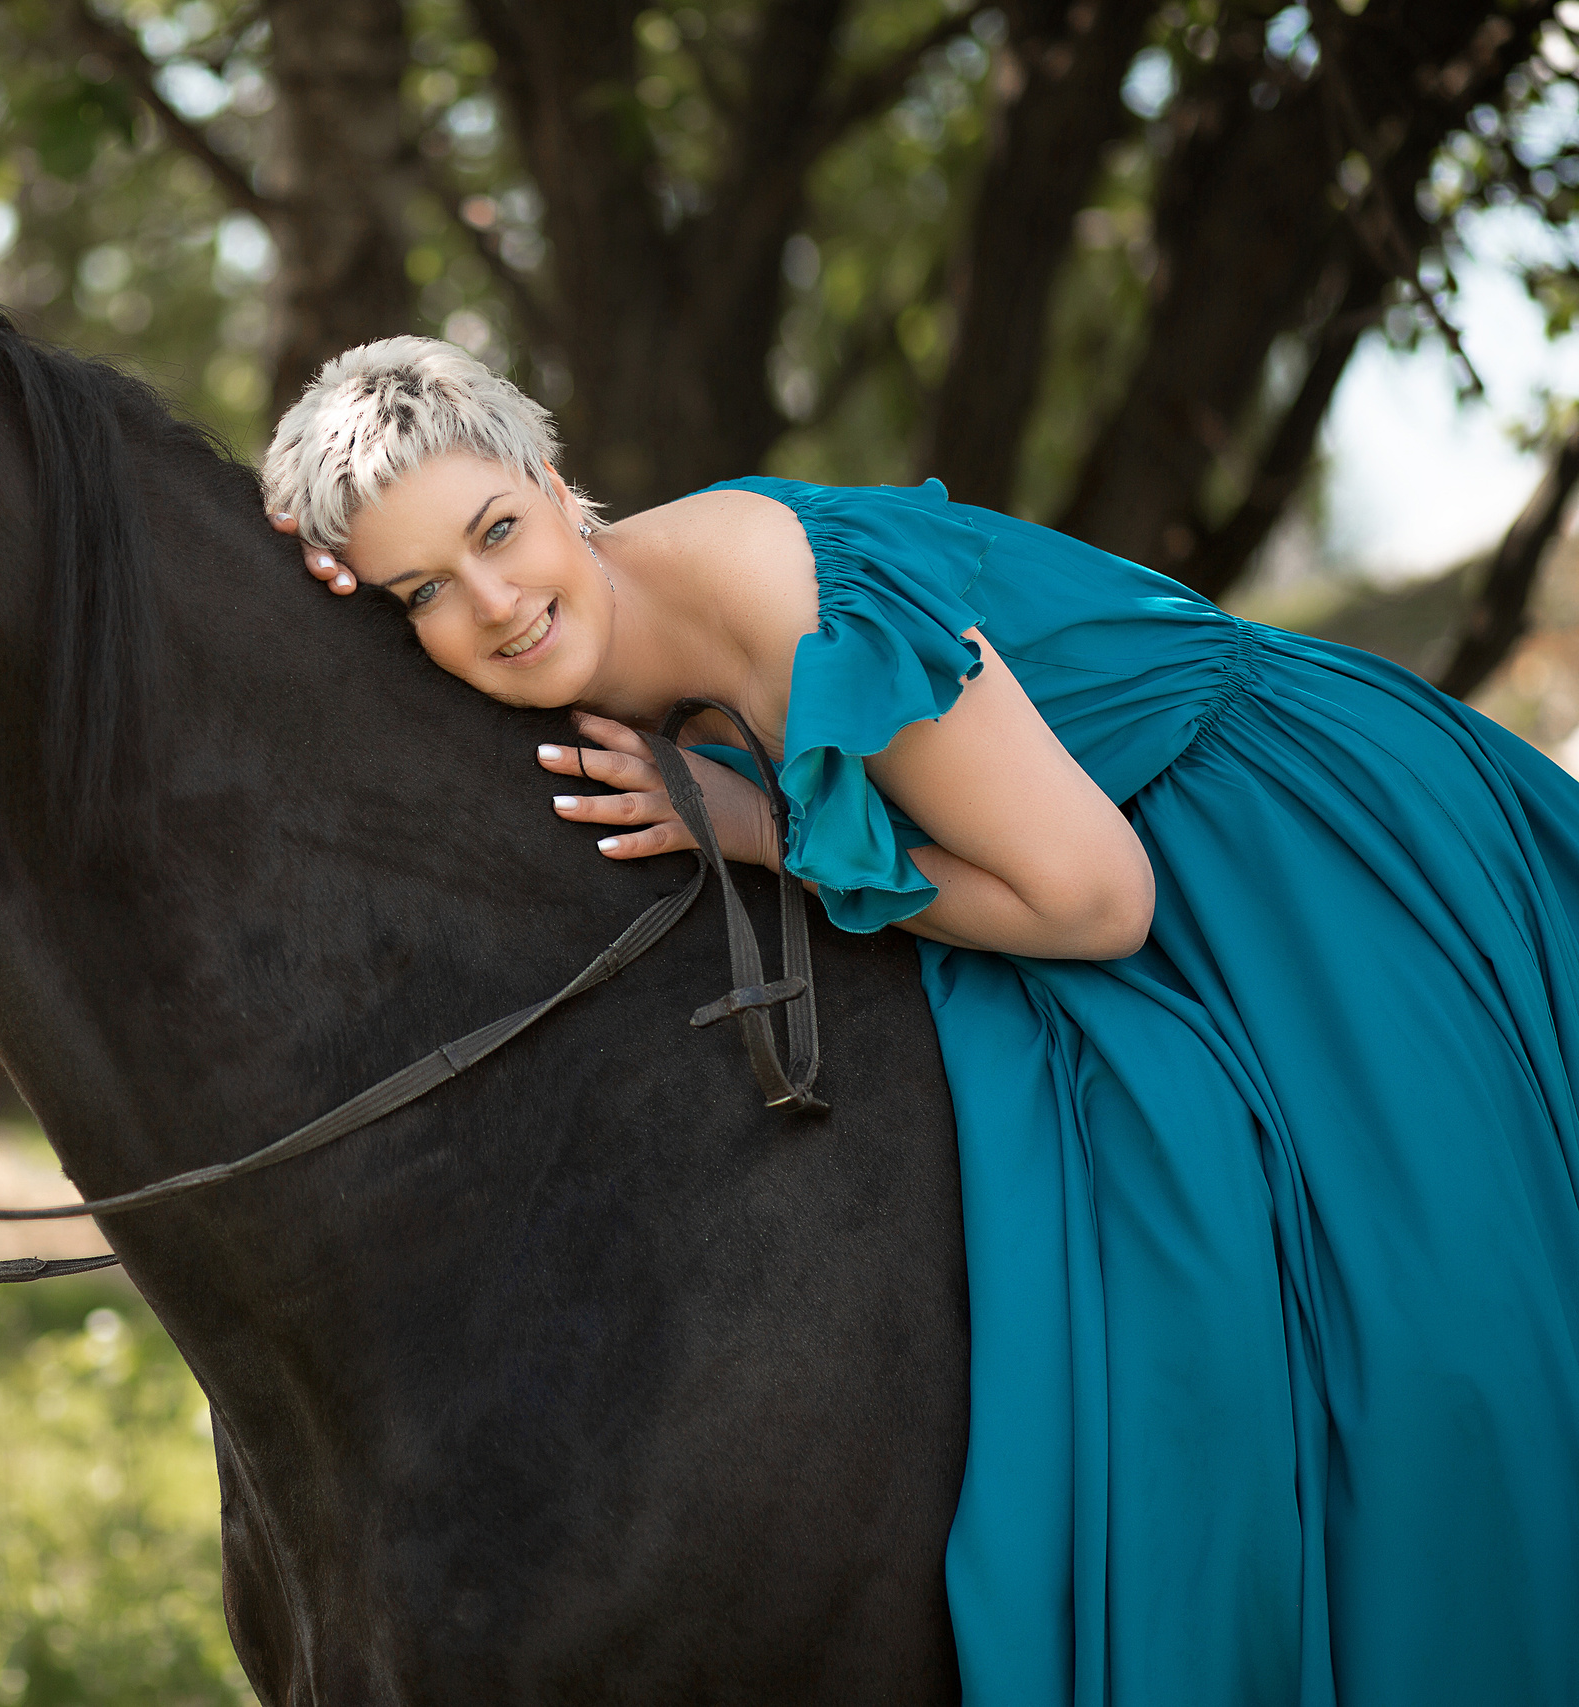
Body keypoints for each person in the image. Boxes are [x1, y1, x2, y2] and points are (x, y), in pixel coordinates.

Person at [261, 336, 1579, 1706]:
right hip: (1071, 857)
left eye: (498, 531)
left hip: (1274, 841)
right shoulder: (525, 642)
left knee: (1436, 1345)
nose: (494, 604)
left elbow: (1096, 903)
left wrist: (764, 832)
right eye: (426, 590)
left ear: (549, 473)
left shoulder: (779, 593)